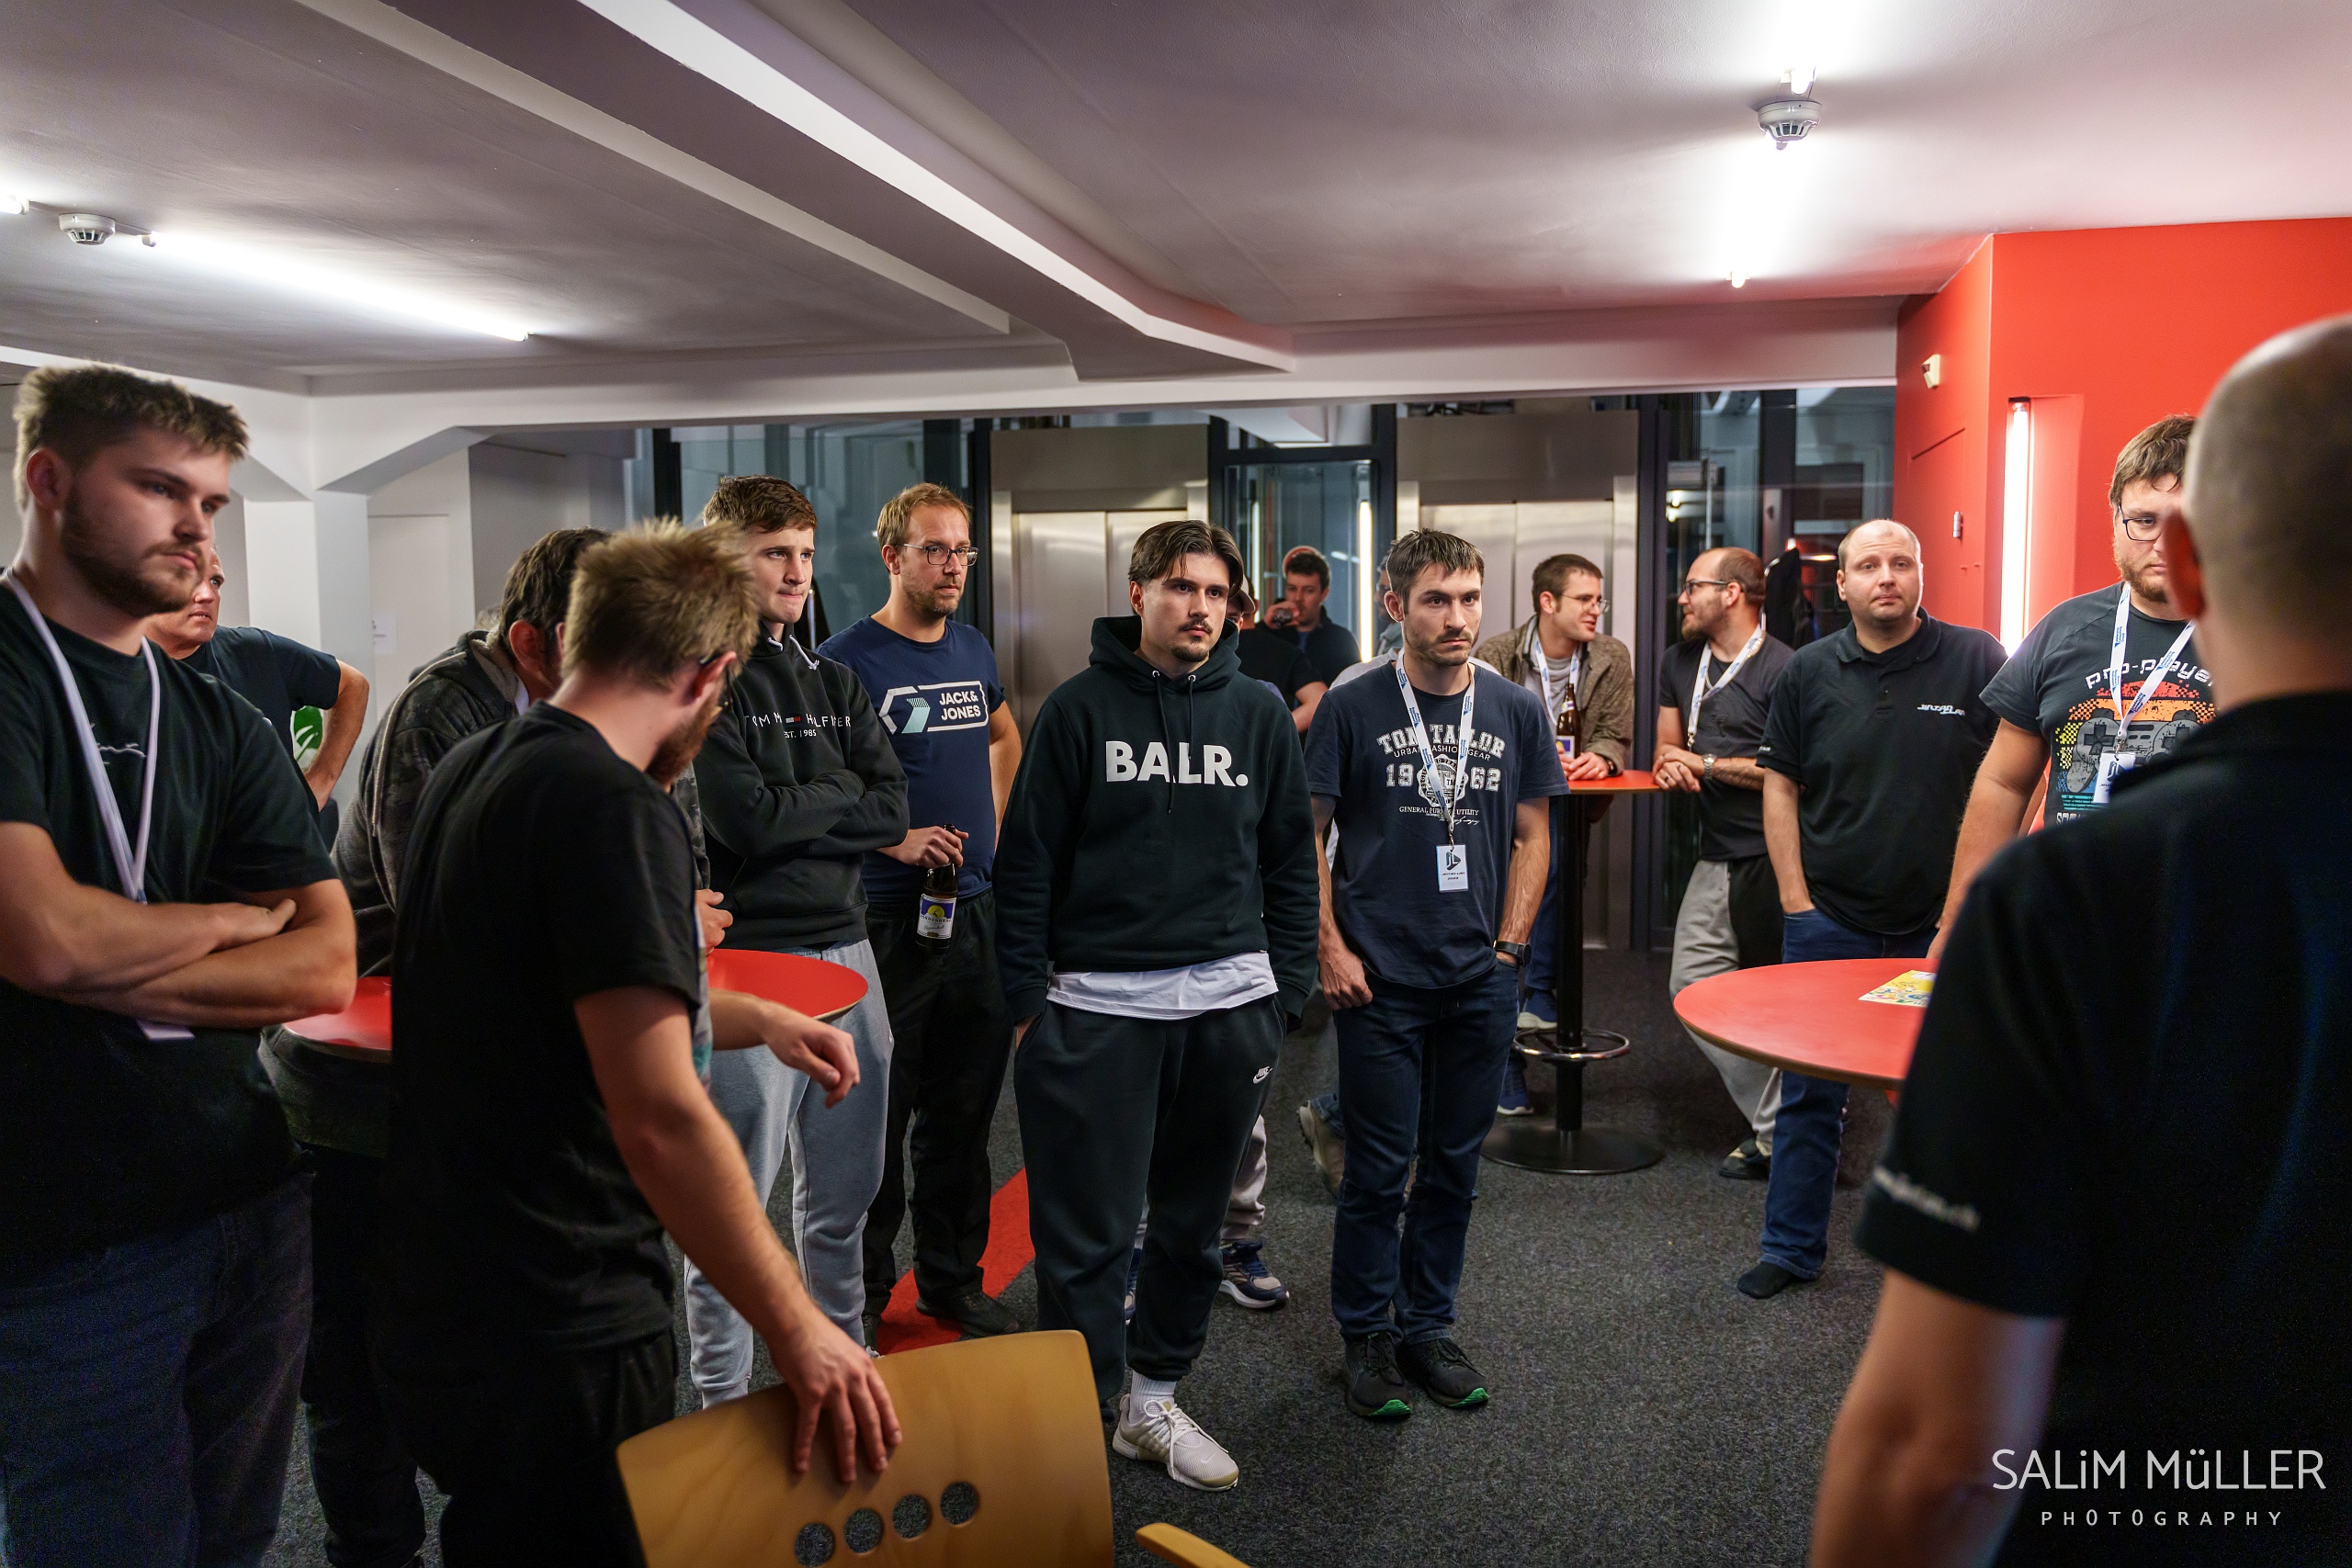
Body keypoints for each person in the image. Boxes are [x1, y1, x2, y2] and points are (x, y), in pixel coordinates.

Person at [1814, 319, 2352, 1568]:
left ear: (2194, 562)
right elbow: (2004, 782)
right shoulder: (2062, 681)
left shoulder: (2078, 903)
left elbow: (1936, 1450)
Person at [373, 525, 899, 1566]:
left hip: (444, 1281)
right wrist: (799, 1328)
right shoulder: (614, 805)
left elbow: (546, 1000)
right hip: (562, 1309)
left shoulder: (479, 764)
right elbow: (661, 1117)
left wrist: (755, 1018)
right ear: (708, 676)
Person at [0, 364, 356, 1568]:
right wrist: (224, 923)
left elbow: (325, 962)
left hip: (248, 1194)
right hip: (65, 1231)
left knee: (235, 1535)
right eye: (160, 489)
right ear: (50, 480)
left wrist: (98, 958)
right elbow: (41, 935)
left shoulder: (214, 717)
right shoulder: (8, 671)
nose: (197, 529)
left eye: (210, 502)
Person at [267, 526, 612, 1568]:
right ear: (532, 643)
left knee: (487, 1360)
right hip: (359, 1098)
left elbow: (662, 862)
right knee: (358, 1373)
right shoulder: (443, 712)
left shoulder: (582, 715)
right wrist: (622, 912)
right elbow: (455, 921)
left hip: (478, 1087)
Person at [997, 519, 1317, 1491]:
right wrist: (1026, 1004)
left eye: (1216, 593)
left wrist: (1285, 993)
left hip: (1229, 1008)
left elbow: (1289, 858)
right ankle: (1079, 1411)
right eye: (1181, 587)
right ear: (1138, 592)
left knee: (1189, 1230)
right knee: (1085, 1237)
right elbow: (1027, 863)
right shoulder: (1077, 709)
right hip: (1097, 1007)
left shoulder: (1257, 713)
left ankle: (1151, 1403)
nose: (1200, 608)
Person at [1309, 529, 1563, 1421]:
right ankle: (1365, 1335)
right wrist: (1329, 947)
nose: (1457, 618)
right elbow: (1304, 836)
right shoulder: (1352, 705)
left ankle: (1426, 1326)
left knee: (1454, 1167)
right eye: (1435, 600)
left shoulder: (1516, 708)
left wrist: (1511, 948)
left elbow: (1533, 835)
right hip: (1379, 978)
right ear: (1394, 606)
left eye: (1468, 599)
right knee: (1379, 1170)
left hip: (1480, 978)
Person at [1746, 521, 2004, 1300]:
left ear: (1921, 573)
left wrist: (1976, 901)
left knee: (1954, 1094)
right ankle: (1790, 1248)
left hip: (1942, 924)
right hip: (1831, 917)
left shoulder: (1978, 659)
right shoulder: (1808, 669)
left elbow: (2013, 779)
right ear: (1843, 584)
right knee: (1809, 1096)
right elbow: (1780, 784)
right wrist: (1795, 901)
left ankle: (1954, 1262)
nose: (1886, 576)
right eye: (1868, 565)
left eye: (1901, 562)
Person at [690, 476, 907, 1378]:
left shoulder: (835, 681)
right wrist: (840, 793)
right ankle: (724, 1397)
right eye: (774, 552)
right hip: (750, 961)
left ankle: (842, 1366)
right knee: (731, 1210)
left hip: (849, 949)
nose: (796, 571)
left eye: (806, 554)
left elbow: (892, 808)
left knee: (844, 1197)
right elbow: (747, 821)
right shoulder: (704, 682)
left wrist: (805, 806)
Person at [818, 482, 1023, 1347]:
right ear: (892, 555)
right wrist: (893, 837)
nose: (952, 565)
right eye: (933, 549)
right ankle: (862, 1298)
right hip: (884, 923)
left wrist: (992, 835)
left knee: (963, 1117)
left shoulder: (972, 648)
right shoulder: (844, 661)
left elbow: (1005, 737)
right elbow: (817, 790)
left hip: (971, 917)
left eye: (961, 550)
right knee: (876, 1122)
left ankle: (949, 1281)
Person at [1928, 415, 2214, 962]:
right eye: (2144, 521)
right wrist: (1960, 921)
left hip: (2204, 935)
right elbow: (2005, 783)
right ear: (2116, 518)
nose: (2164, 543)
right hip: (2070, 925)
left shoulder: (2261, 634)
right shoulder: (2063, 630)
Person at [1472, 551, 1633, 1119]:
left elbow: (1614, 732)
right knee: (1497, 929)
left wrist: (1602, 757)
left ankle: (1538, 997)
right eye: (1584, 599)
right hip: (1501, 807)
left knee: (1556, 870)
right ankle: (1511, 1052)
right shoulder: (1496, 655)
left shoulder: (1610, 656)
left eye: (1599, 599)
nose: (1596, 610)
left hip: (1567, 803)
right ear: (1547, 602)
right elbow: (1476, 732)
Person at [1659, 547, 1795, 1179]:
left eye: (1694, 586)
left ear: (1732, 593)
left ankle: (1792, 1127)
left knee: (1777, 998)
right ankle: (1786, 1124)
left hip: (1780, 855)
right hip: (1715, 851)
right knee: (1692, 983)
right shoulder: (1679, 661)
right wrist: (1670, 763)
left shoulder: (1787, 670)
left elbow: (1789, 770)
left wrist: (1706, 765)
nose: (1683, 597)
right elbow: (1667, 746)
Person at [147, 546, 370, 834]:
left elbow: (353, 685)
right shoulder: (116, 677)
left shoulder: (255, 653)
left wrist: (321, 781)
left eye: (215, 581)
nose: (208, 594)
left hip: (282, 851)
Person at [1235, 580, 1328, 737]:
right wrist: (1275, 734)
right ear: (1255, 605)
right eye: (1291, 588)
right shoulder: (1284, 651)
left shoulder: (1206, 650)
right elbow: (1320, 701)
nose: (1298, 597)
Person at [1264, 544, 1361, 684]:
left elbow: (1355, 688)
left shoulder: (1340, 641)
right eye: (1292, 589)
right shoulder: (1269, 635)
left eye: (1308, 590)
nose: (1298, 598)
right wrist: (1264, 626)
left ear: (1324, 594)